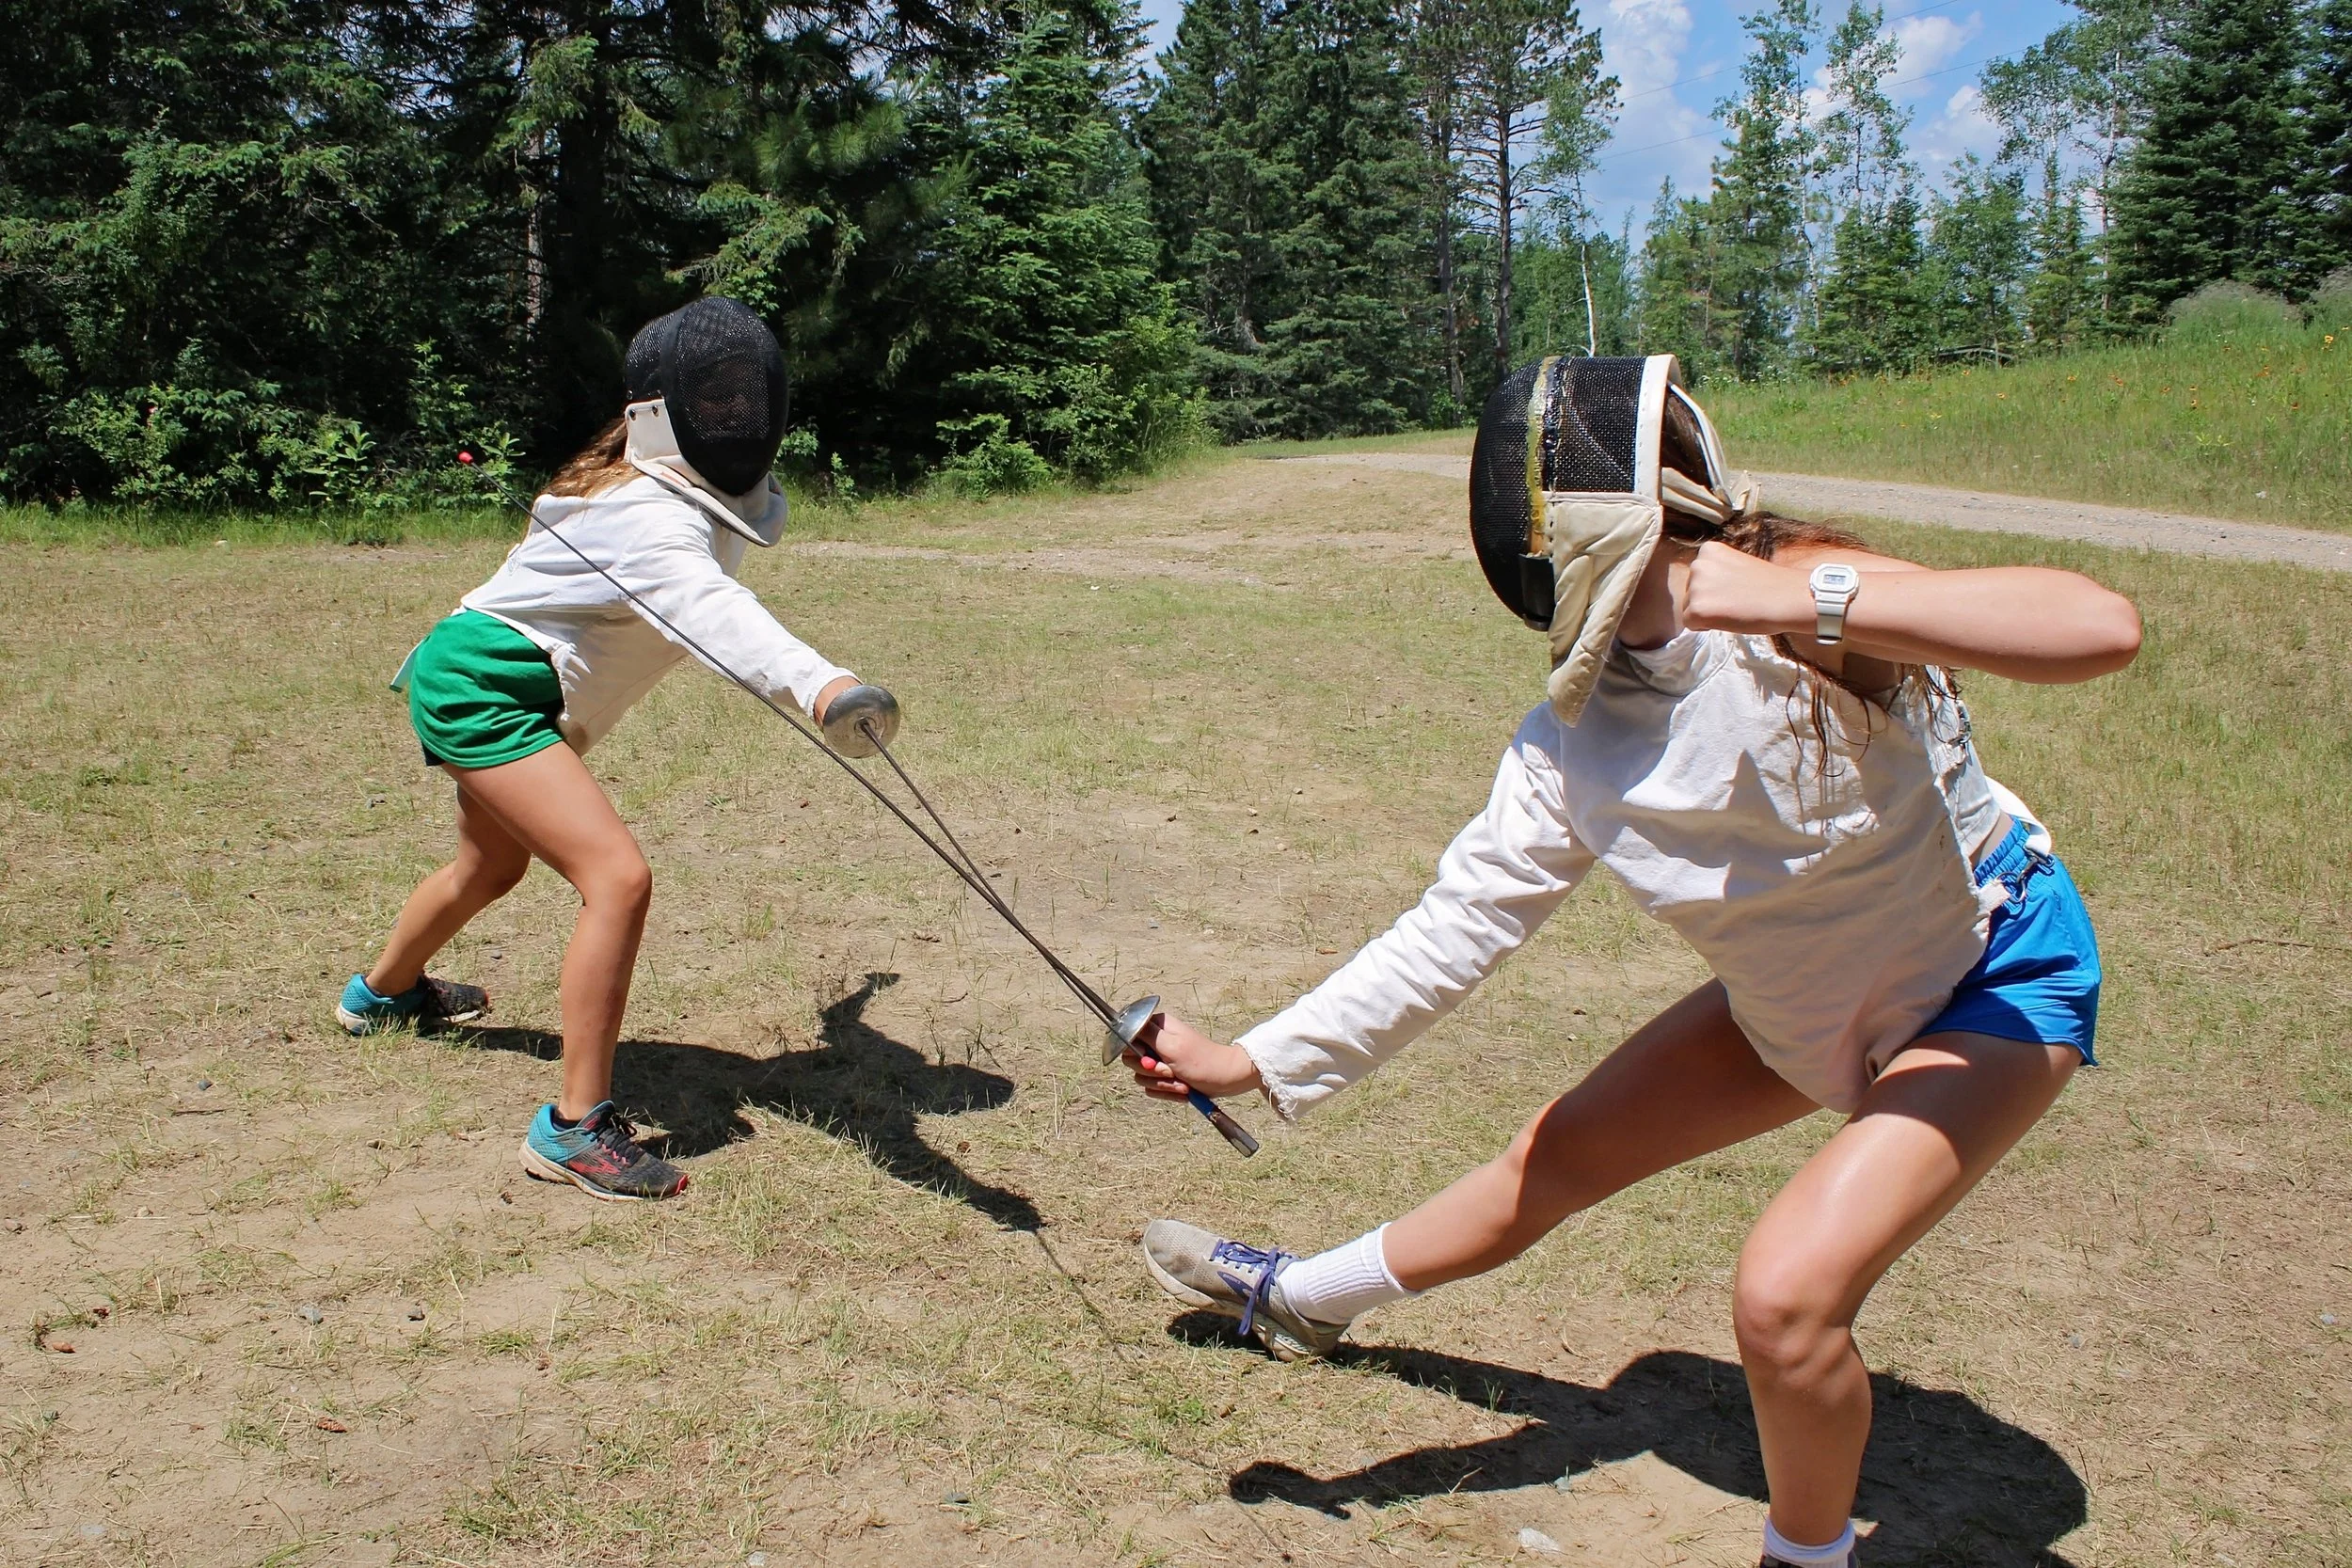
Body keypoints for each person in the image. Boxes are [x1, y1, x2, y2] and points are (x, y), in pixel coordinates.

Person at [1122, 356, 2139, 1568]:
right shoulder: (1571, 735)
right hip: (1800, 999)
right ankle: (1300, 1298)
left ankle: (1804, 1556)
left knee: (1785, 1298)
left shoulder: (1803, 617)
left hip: (1988, 970)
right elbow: (1454, 928)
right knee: (1552, 1156)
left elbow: (2097, 627)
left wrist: (1788, 596)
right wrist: (1249, 1060)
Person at [338, 297, 895, 1203]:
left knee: (487, 868)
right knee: (618, 877)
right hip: (483, 688)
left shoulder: (669, 491)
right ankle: (573, 1129)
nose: (736, 417)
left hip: (497, 679)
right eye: (716, 401)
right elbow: (715, 613)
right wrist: (824, 686)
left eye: (745, 397)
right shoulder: (645, 513)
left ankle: (380, 995)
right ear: (668, 412)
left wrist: (857, 1004)